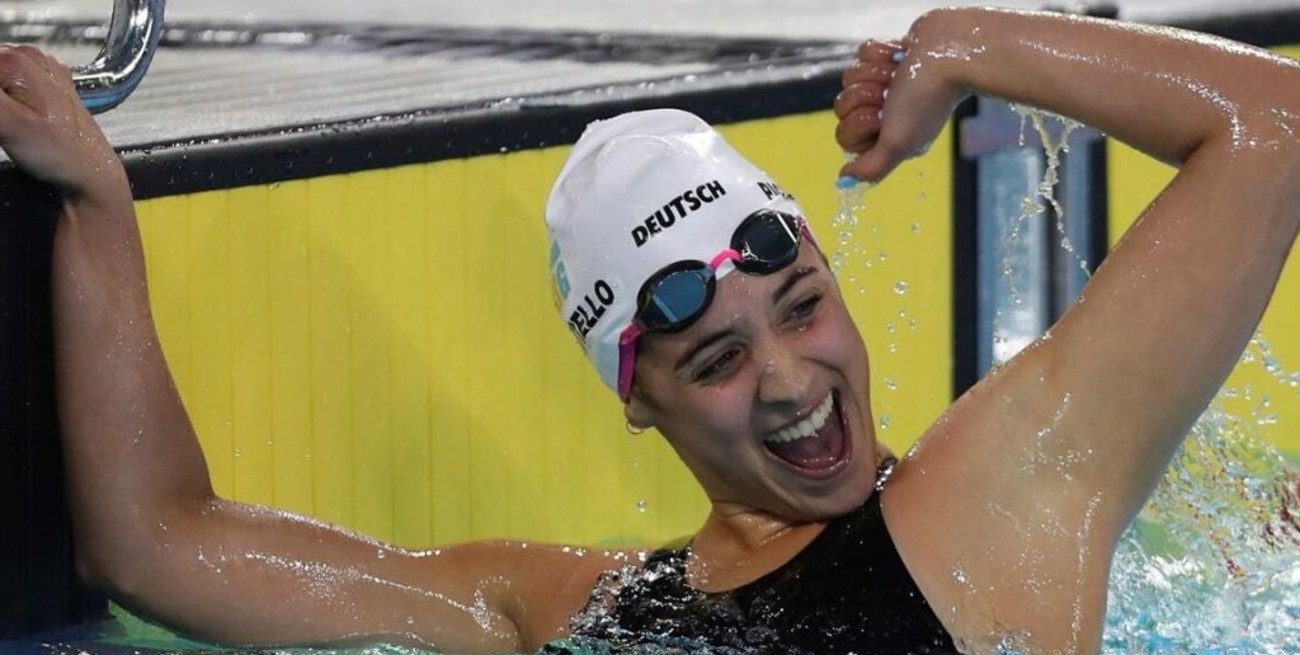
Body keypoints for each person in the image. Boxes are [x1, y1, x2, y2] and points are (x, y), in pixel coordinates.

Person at [1, 6, 1296, 654]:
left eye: (801, 307)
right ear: (638, 391)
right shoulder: (581, 608)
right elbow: (158, 545)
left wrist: (964, 43)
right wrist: (94, 203)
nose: (795, 382)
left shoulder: (992, 509)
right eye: (718, 359)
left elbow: (1274, 132)